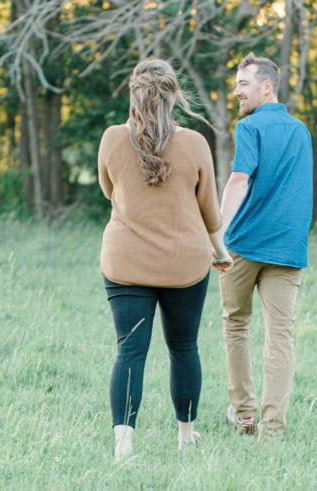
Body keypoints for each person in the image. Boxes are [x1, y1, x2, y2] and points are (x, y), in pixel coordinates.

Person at [98, 58, 233, 462]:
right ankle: (185, 435)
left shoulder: (112, 138)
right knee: (184, 347)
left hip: (126, 263)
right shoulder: (194, 143)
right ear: (174, 96)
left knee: (129, 351)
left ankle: (123, 446)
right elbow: (209, 210)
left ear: (133, 94)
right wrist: (221, 254)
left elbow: (109, 191)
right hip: (184, 265)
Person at [217, 53, 313, 440]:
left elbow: (239, 180)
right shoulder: (300, 131)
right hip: (288, 248)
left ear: (266, 86)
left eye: (243, 83)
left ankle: (245, 418)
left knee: (236, 324)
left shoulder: (250, 126)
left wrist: (218, 235)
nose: (236, 90)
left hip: (244, 245)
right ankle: (272, 430)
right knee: (280, 336)